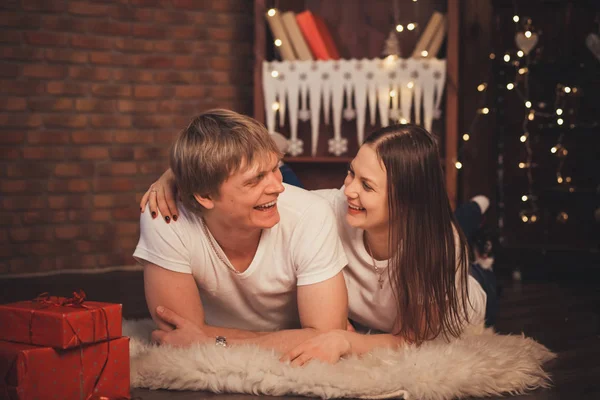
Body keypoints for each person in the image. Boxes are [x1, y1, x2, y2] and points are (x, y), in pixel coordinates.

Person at [141, 122, 498, 366]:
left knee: (465, 242)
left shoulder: (438, 249)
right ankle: (472, 213)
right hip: (399, 257)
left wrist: (345, 341)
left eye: (367, 186)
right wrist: (175, 175)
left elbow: (412, 341)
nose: (349, 189)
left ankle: (478, 236)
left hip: (468, 292)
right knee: (285, 186)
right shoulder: (329, 208)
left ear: (407, 200)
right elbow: (236, 176)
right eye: (350, 172)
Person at [133, 109, 349, 351]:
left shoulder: (311, 213)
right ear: (205, 195)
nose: (278, 187)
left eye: (275, 168)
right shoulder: (165, 216)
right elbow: (176, 335)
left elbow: (328, 335)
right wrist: (292, 338)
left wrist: (211, 339)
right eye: (255, 179)